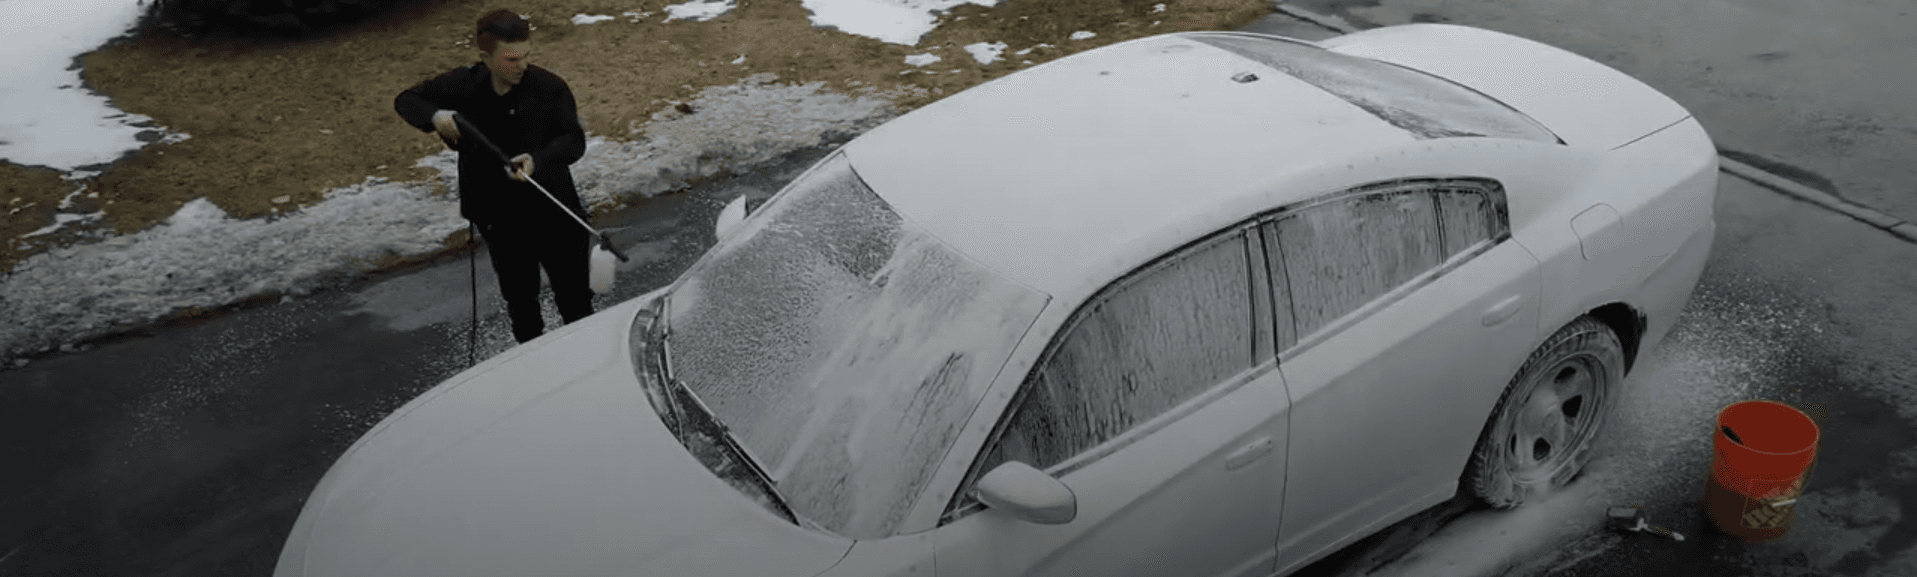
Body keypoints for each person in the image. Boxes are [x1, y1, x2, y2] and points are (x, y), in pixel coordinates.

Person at [394, 9, 593, 344]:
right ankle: (533, 362)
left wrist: (538, 160)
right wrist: (436, 116)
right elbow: (406, 100)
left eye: (526, 56)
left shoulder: (549, 88)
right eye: (512, 59)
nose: (522, 65)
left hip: (555, 212)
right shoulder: (460, 86)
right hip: (500, 220)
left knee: (576, 303)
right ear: (485, 58)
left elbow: (574, 141)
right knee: (522, 306)